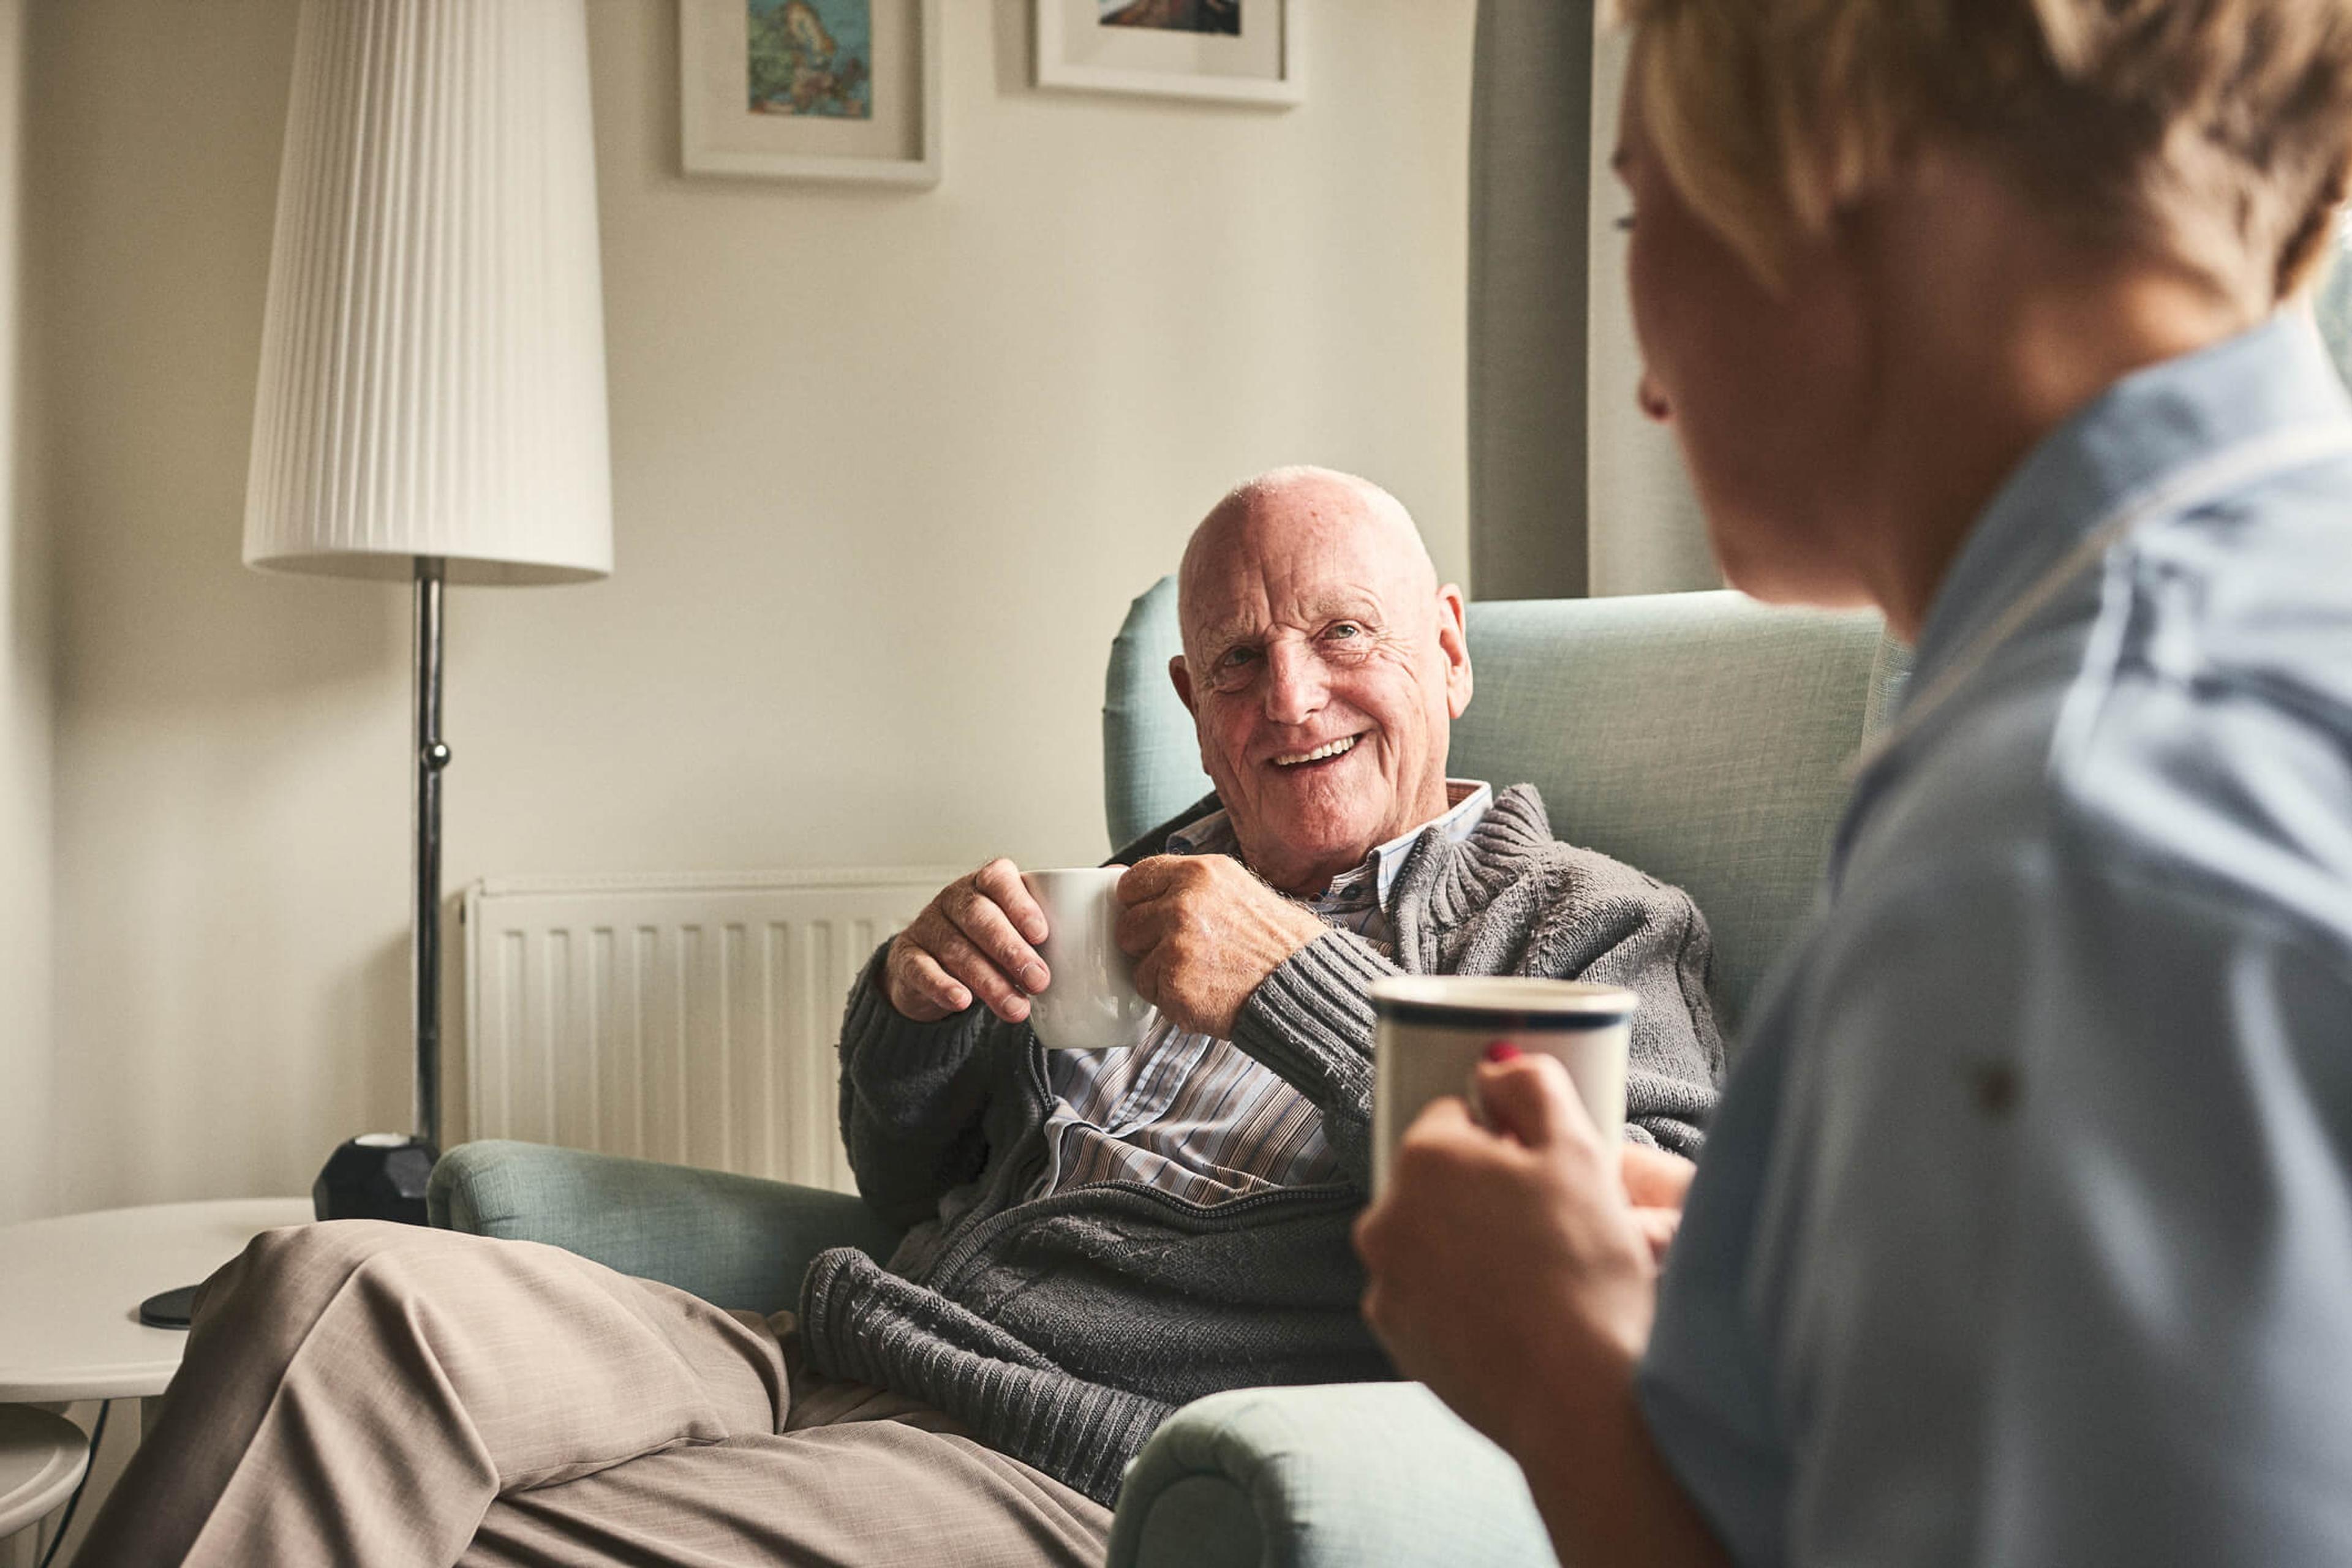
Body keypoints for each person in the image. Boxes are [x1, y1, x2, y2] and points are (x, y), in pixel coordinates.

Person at [74, 466, 1724, 1567]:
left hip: (1065, 1458)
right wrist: (922, 1013)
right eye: (1235, 662)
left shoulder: (1591, 920)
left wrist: (1280, 982)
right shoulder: (1141, 883)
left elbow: (1636, 1249)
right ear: (1193, 714)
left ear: (1447, 648)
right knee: (327, 1295)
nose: (1288, 697)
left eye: (1342, 635)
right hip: (825, 1342)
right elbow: (903, 1172)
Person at [1353, 4, 2352, 1566]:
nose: (1643, 384)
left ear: (1855, 174)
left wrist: (1557, 1373)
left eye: (1638, 209)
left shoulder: (2050, 867)